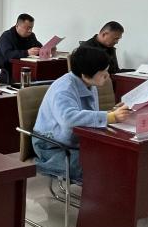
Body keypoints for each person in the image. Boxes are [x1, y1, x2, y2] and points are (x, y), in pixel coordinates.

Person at [32, 46, 130, 183]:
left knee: (117, 157)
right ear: (85, 75)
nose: (107, 76)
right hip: (52, 145)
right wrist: (110, 117)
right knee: (97, 166)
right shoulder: (64, 89)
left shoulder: (89, 83)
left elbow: (88, 114)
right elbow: (69, 119)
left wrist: (112, 113)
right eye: (103, 73)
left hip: (75, 140)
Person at [0, 13, 43, 84]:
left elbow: (38, 47)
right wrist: (27, 52)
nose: (30, 31)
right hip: (5, 71)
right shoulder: (6, 36)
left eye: (31, 28)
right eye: (27, 28)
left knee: (40, 78)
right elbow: (8, 54)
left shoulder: (31, 36)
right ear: (17, 26)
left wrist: (46, 50)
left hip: (23, 69)